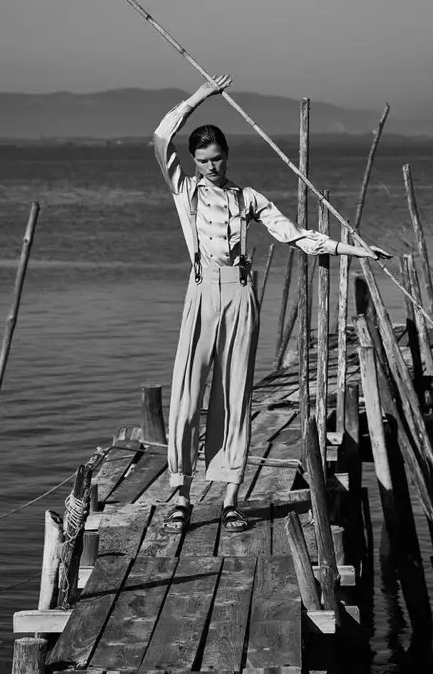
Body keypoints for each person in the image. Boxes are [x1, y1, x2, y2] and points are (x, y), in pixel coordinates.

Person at [153, 74, 390, 533]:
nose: (210, 168)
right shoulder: (185, 190)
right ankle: (179, 494)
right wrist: (201, 96)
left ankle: (229, 498)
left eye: (216, 158)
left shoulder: (248, 199)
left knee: (233, 397)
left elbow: (296, 236)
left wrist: (354, 249)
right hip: (202, 293)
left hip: (241, 297)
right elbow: (161, 137)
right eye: (202, 160)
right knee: (185, 398)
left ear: (227, 156)